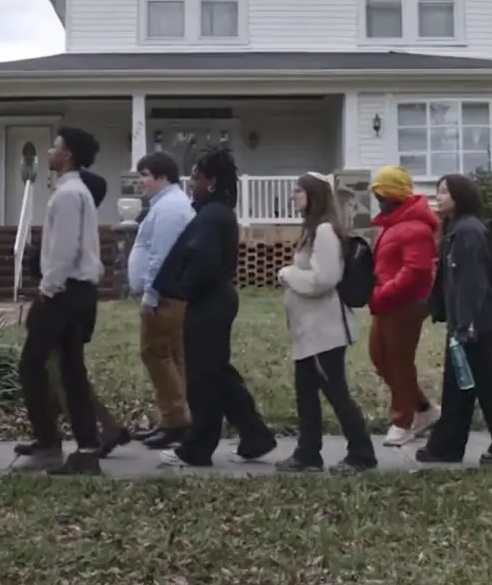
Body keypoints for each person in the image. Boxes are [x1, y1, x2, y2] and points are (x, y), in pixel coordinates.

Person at [156, 147, 277, 468]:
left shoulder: (212, 216)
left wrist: (181, 287)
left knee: (202, 378)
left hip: (208, 302)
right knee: (217, 372)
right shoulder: (217, 212)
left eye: (196, 177)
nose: (191, 183)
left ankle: (197, 448)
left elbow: (203, 260)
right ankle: (255, 436)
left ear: (210, 181)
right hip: (216, 299)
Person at [14, 127, 109, 475]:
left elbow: (65, 248)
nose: (49, 152)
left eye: (55, 147)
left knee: (32, 365)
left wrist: (48, 288)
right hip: (79, 291)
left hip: (65, 291)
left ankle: (48, 444)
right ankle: (86, 450)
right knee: (71, 370)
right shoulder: (75, 191)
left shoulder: (69, 194)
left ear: (68, 155)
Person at [418, 174, 492, 465]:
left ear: (460, 196)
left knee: (488, 389)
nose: (438, 196)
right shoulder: (454, 228)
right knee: (458, 387)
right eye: (438, 191)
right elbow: (448, 279)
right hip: (462, 323)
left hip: (476, 324)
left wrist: (466, 323)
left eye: (444, 191)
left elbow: (472, 282)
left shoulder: (469, 231)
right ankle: (446, 447)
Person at [275, 173, 376, 473]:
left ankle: (362, 453)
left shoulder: (324, 232)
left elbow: (324, 279)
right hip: (310, 331)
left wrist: (288, 274)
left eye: (298, 191)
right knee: (306, 394)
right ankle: (308, 453)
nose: (293, 196)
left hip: (324, 330)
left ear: (314, 195)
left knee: (336, 393)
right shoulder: (313, 230)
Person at [365, 165, 440, 446]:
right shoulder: (395, 224)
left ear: (394, 195)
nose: (378, 201)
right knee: (380, 358)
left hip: (406, 305)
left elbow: (416, 271)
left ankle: (403, 422)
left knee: (398, 362)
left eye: (381, 195)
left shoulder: (415, 227)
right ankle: (424, 409)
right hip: (387, 303)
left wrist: (384, 293)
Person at [125, 150, 194, 448]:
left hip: (164, 296)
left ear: (162, 176)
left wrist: (150, 295)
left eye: (144, 175)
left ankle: (176, 421)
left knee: (155, 353)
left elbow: (162, 256)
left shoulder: (169, 208)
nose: (140, 181)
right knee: (170, 356)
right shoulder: (166, 204)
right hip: (167, 294)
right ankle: (175, 418)